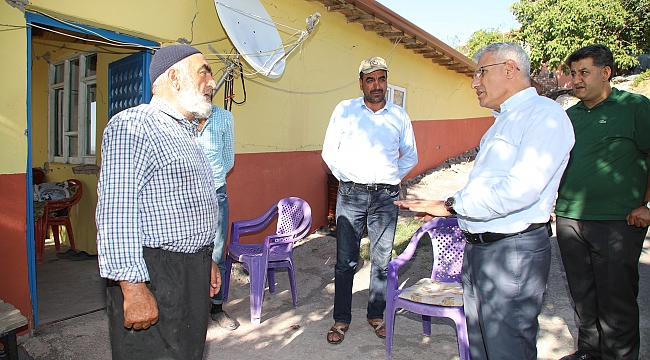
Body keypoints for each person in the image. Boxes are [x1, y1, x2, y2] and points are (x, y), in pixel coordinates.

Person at [394, 42, 575, 359]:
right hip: (480, 249)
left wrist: (450, 206)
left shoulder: (545, 116)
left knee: (506, 349)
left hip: (512, 253)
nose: (474, 82)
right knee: (479, 347)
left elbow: (520, 189)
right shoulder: (501, 122)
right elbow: (486, 189)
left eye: (481, 72)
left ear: (509, 69)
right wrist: (453, 212)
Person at [96, 44, 221, 360]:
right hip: (154, 271)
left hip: (191, 267)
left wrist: (206, 261)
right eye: (203, 73)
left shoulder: (186, 133)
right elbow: (116, 211)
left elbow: (185, 204)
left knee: (188, 353)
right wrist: (134, 288)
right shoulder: (135, 124)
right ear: (176, 78)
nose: (212, 83)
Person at [555, 44, 650, 360]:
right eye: (573, 73)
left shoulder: (635, 107)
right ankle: (589, 352)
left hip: (617, 222)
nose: (576, 80)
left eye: (584, 72)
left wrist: (647, 206)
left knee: (616, 300)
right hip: (569, 218)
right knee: (583, 296)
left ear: (606, 73)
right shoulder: (569, 117)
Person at [321, 56, 418, 344]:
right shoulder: (345, 111)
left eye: (382, 79)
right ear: (361, 82)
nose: (377, 85)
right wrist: (348, 178)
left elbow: (410, 156)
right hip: (351, 195)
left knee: (381, 260)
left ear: (386, 81)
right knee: (345, 261)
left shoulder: (399, 116)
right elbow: (329, 152)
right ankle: (341, 318)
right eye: (370, 79)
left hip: (385, 198)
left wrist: (389, 178)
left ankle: (376, 314)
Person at [197, 104, 238, 330]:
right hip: (187, 196)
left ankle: (216, 308)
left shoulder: (224, 117)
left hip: (216, 193)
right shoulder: (183, 116)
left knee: (217, 252)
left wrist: (213, 178)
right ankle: (192, 307)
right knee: (187, 251)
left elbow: (228, 160)